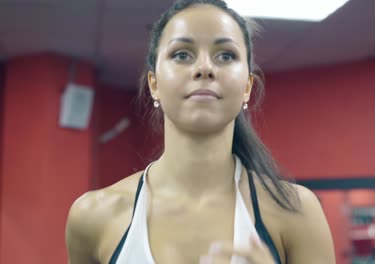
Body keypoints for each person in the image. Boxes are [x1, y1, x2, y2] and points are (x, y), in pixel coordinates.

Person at [65, 0, 336, 263]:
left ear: (247, 87)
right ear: (154, 83)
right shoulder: (92, 216)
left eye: (226, 55)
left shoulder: (296, 211)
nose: (204, 68)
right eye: (182, 54)